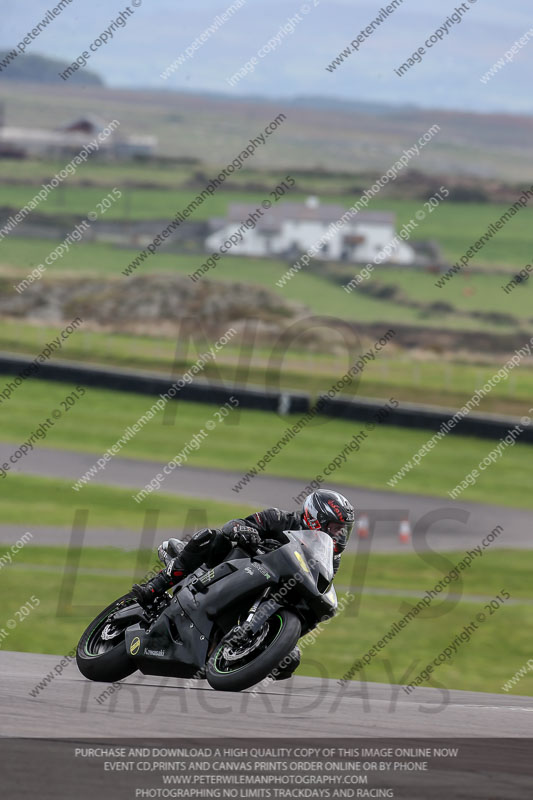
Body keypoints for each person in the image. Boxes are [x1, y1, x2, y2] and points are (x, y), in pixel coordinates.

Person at [131, 490, 355, 678]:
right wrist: (245, 531)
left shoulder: (331, 558)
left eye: (344, 529)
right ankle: (154, 587)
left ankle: (242, 651)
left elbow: (319, 583)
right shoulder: (280, 519)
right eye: (336, 527)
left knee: (290, 660)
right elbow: (236, 525)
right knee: (209, 537)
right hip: (229, 566)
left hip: (266, 594)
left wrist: (281, 645)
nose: (340, 534)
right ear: (316, 518)